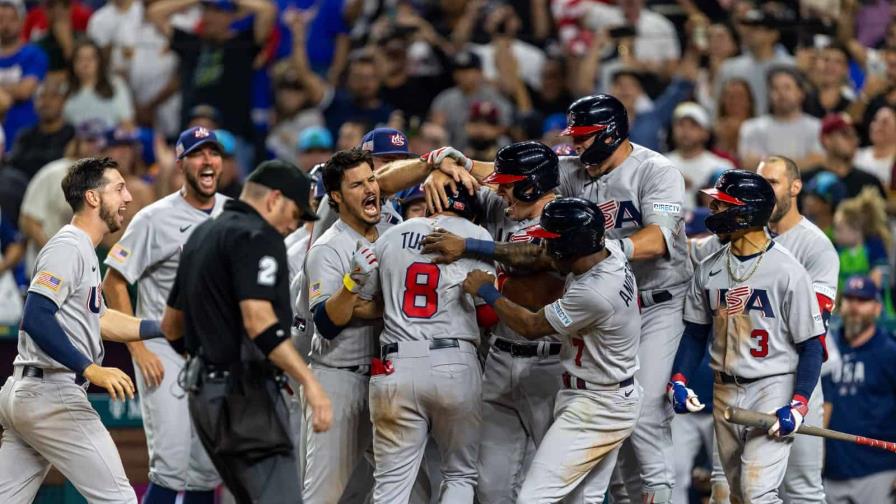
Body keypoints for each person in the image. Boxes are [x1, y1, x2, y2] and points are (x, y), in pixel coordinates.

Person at [423, 93, 691, 504]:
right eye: (574, 136)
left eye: (583, 135)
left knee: (646, 411)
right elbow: (506, 173)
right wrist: (447, 164)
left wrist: (597, 247)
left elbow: (657, 240)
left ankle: (658, 491)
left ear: (611, 133)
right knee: (607, 452)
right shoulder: (573, 169)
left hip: (657, 299)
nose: (576, 143)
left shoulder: (656, 170)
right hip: (600, 300)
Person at [160, 160, 332, 502]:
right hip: (244, 395)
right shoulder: (259, 235)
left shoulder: (203, 234)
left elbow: (171, 325)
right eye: (295, 214)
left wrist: (209, 360)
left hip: (203, 395)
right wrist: (310, 382)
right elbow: (258, 320)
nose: (294, 225)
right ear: (274, 199)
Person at [0, 157, 167, 503]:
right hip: (53, 393)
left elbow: (100, 319)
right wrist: (90, 368)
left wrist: (163, 328)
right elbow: (36, 316)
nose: (128, 197)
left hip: (30, 392)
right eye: (118, 188)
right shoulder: (69, 246)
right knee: (119, 499)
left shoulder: (82, 249)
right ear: (92, 197)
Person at [460, 197, 642, 503]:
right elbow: (537, 256)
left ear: (571, 245)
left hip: (598, 405)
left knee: (534, 498)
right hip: (607, 394)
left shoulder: (595, 292)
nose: (545, 247)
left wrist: (487, 289)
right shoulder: (607, 250)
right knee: (582, 500)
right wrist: (472, 246)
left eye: (551, 241)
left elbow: (531, 326)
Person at [418, 141, 568, 503]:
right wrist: (441, 169)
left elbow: (539, 255)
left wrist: (471, 246)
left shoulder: (568, 216)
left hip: (549, 363)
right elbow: (459, 182)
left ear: (530, 185)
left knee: (559, 485)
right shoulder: (504, 207)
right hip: (498, 358)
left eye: (508, 185)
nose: (499, 192)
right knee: (490, 487)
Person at [668, 169, 826, 504]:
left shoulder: (788, 271)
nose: (713, 211)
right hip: (723, 389)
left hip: (772, 386)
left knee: (757, 493)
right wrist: (679, 379)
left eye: (721, 204)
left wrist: (799, 403)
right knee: (736, 494)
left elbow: (812, 345)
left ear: (746, 211)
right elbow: (695, 333)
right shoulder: (709, 267)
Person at [102, 127, 227, 503]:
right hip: (164, 349)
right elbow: (113, 282)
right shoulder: (154, 218)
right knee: (170, 465)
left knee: (206, 470)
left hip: (213, 351)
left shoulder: (233, 213)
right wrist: (138, 349)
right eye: (198, 153)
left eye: (213, 152)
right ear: (181, 164)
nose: (207, 160)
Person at [364, 184, 494, 503]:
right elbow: (488, 314)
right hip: (454, 361)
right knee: (460, 475)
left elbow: (368, 300)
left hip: (395, 364)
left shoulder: (392, 235)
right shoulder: (476, 235)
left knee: (390, 485)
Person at [300, 148, 394, 503]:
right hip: (339, 380)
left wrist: (368, 307)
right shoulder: (328, 248)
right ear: (336, 197)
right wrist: (352, 284)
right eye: (357, 185)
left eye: (372, 180)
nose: (370, 189)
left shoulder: (392, 233)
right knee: (324, 495)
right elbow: (326, 322)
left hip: (385, 380)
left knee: (412, 491)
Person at [822, 275, 896, 504]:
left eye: (862, 300)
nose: (854, 306)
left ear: (877, 308)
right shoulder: (827, 347)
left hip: (878, 471)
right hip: (831, 470)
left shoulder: (889, 351)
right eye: (849, 299)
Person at [738, 67, 825, 171]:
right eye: (775, 88)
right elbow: (749, 163)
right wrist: (800, 162)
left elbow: (817, 161)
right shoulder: (751, 127)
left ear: (801, 93)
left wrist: (768, 163)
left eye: (787, 88)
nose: (781, 93)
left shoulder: (817, 127)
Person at [666, 102, 735, 208]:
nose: (685, 130)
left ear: (706, 133)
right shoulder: (660, 165)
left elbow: (729, 209)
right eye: (681, 124)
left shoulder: (722, 167)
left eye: (693, 125)